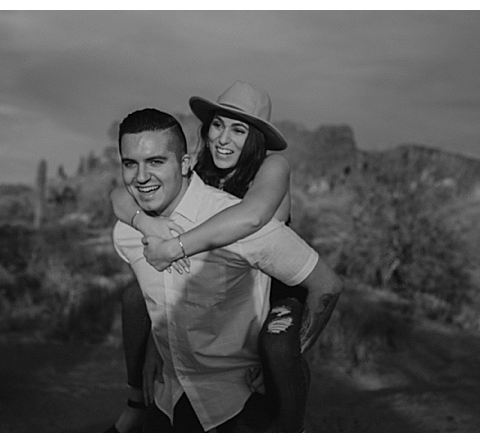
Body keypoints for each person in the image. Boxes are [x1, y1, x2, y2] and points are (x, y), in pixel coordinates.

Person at [111, 108, 342, 432]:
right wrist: (144, 223)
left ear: (183, 163)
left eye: (156, 162)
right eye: (130, 163)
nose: (141, 176)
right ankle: (138, 403)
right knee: (134, 297)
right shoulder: (129, 230)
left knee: (278, 345)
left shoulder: (250, 203)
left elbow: (324, 282)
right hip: (170, 394)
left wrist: (284, 357)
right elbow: (159, 296)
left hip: (234, 396)